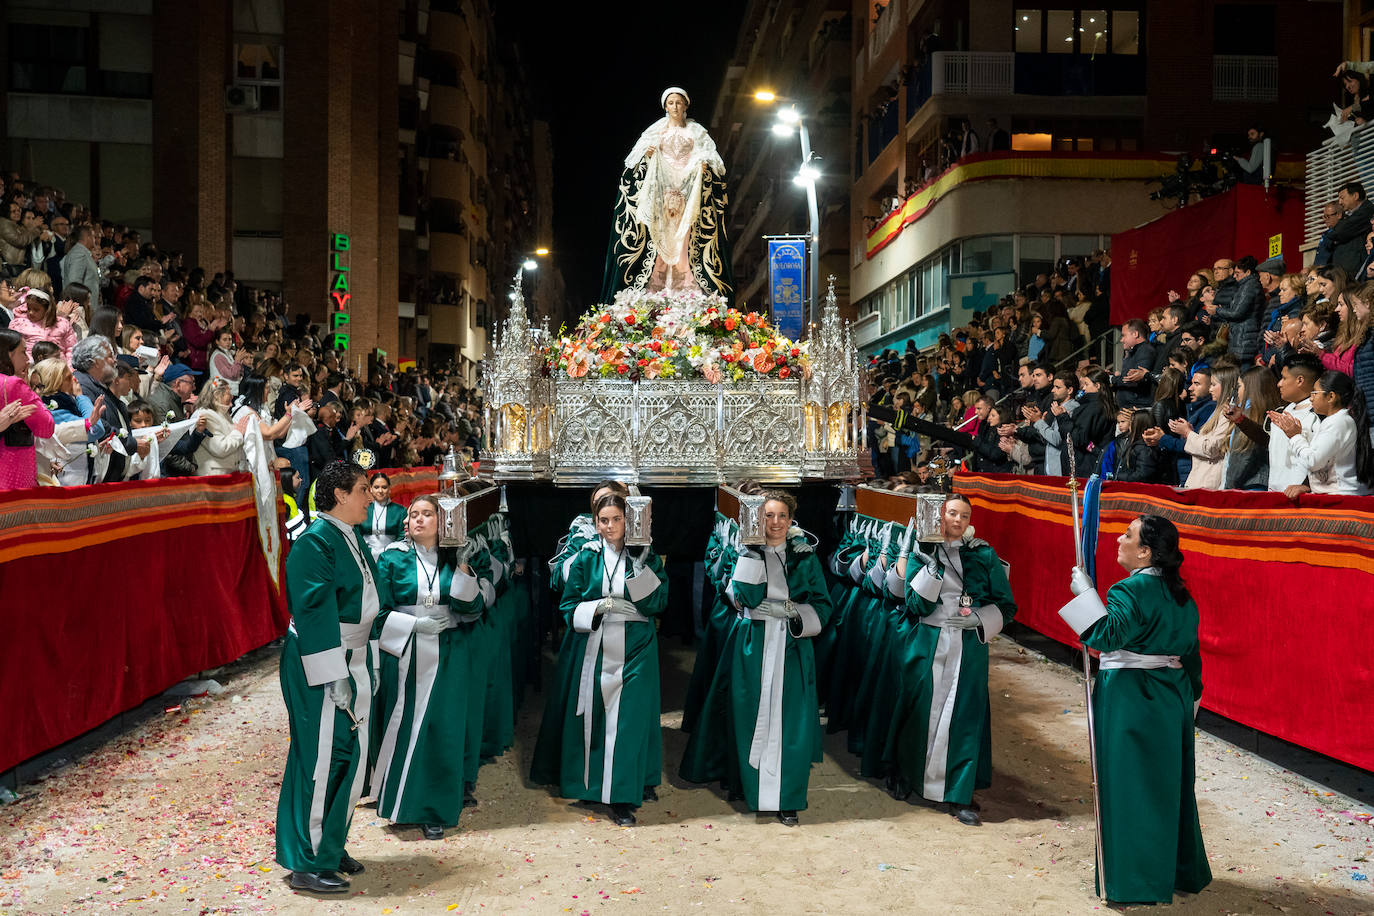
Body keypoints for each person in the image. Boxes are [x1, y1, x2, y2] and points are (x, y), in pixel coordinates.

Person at [1059, 515, 1211, 905]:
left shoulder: (1128, 590)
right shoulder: (1182, 595)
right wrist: (1190, 697)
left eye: (1127, 535)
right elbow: (1191, 654)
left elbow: (1106, 639)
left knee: (1126, 788)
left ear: (1145, 551)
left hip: (1130, 697)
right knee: (1169, 785)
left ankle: (1134, 882)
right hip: (1171, 695)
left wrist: (1084, 596)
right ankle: (1177, 870)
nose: (1118, 539)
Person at [681, 490, 832, 826]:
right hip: (752, 643)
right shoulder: (747, 552)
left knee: (790, 722)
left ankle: (788, 798)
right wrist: (750, 553)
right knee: (747, 715)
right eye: (768, 515)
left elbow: (823, 605)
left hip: (792, 647)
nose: (774, 523)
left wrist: (792, 611)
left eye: (781, 516)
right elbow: (743, 597)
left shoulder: (804, 558)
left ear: (792, 521)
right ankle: (746, 785)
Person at [530, 492, 669, 826]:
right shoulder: (586, 557)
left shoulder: (646, 555)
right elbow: (568, 604)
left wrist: (638, 567)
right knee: (594, 718)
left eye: (616, 519)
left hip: (636, 648)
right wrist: (597, 607)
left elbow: (658, 602)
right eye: (603, 521)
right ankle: (592, 785)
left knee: (628, 721)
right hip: (595, 645)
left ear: (628, 520)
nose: (610, 527)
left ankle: (622, 797)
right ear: (595, 523)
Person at [274, 461, 377, 894]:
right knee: (320, 760)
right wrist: (332, 674)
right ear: (340, 495)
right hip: (325, 661)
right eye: (363, 489)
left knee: (348, 756)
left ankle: (329, 845)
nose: (370, 496)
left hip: (354, 655)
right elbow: (314, 612)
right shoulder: (316, 542)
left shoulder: (347, 535)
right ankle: (307, 861)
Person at [885, 493, 1016, 826]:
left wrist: (979, 619)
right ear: (939, 516)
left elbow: (1006, 604)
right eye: (952, 513)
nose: (958, 520)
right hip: (927, 641)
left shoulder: (983, 554)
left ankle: (959, 793)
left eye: (965, 515)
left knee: (965, 716)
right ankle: (907, 774)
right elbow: (915, 605)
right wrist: (931, 566)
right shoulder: (923, 548)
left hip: (968, 646)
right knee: (917, 710)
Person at [370, 494, 485, 840]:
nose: (418, 520)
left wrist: (464, 568)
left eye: (427, 514)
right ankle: (405, 803)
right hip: (407, 652)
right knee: (406, 724)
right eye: (413, 514)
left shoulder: (455, 559)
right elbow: (375, 613)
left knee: (443, 728)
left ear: (442, 521)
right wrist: (412, 625)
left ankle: (436, 806)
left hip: (449, 652)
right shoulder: (391, 559)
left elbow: (474, 608)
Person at [603, 87, 733, 302]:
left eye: (679, 102)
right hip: (662, 193)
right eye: (671, 102)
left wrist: (703, 166)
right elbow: (635, 164)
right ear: (665, 106)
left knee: (685, 238)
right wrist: (648, 157)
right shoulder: (655, 131)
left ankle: (686, 288)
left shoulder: (696, 131)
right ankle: (657, 287)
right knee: (659, 237)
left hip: (688, 192)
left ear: (686, 105)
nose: (675, 106)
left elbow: (711, 159)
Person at [1268, 371, 1374, 496]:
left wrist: (1295, 436)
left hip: (1342, 495)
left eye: (1314, 393)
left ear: (1331, 397)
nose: (1311, 397)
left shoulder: (1339, 422)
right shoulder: (1333, 420)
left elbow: (1312, 462)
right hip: (1333, 493)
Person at [0, 327, 55, 490]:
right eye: (23, 352)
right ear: (9, 355)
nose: (28, 359)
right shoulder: (12, 384)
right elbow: (46, 426)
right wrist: (27, 387)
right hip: (11, 476)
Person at [1171, 366, 1237, 489]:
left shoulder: (1227, 414)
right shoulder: (1218, 411)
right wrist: (1190, 432)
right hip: (1201, 479)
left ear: (1226, 386)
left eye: (1213, 385)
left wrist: (1187, 433)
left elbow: (1211, 448)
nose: (1210, 389)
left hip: (1208, 483)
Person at [190, 379, 246, 476]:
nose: (232, 396)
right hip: (212, 475)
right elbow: (220, 448)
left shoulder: (222, 413)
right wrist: (239, 433)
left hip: (227, 472)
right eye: (228, 393)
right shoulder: (205, 415)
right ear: (216, 395)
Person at [360, 471, 407, 558]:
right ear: (371, 489)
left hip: (392, 556)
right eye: (376, 487)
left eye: (384, 487)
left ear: (389, 489)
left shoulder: (400, 511)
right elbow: (356, 534)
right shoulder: (362, 509)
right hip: (365, 554)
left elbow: (403, 536)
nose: (380, 491)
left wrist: (389, 550)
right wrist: (369, 551)